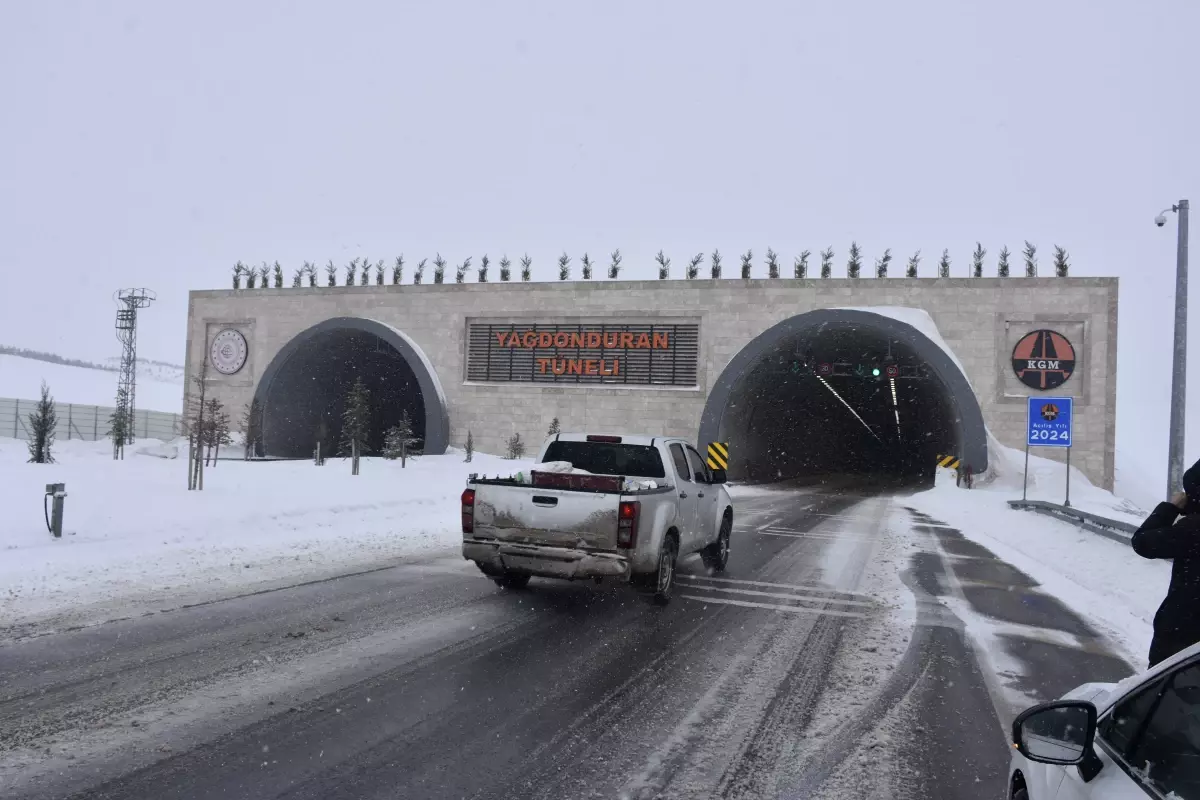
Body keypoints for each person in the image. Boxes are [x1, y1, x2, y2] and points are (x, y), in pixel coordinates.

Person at [1132, 459, 1200, 668]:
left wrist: (1169, 508)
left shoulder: (1193, 529)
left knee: (1164, 696)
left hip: (1183, 642)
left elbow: (1143, 542)